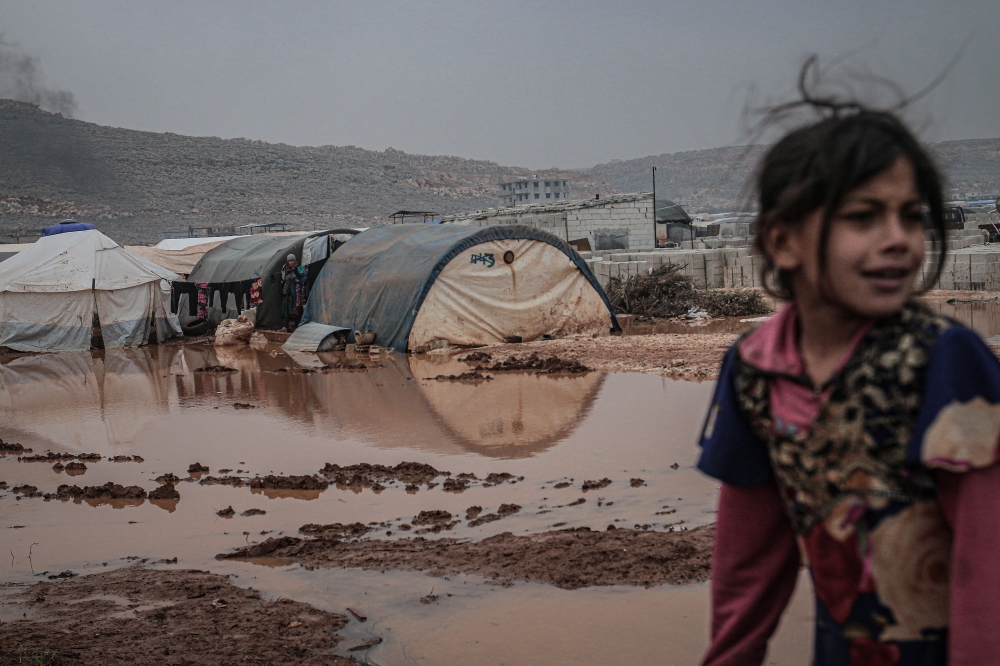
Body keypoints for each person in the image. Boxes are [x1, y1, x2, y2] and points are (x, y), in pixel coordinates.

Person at [697, 94, 1000, 663]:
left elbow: (987, 564)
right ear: (782, 241)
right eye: (863, 217)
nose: (899, 239)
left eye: (912, 216)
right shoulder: (755, 370)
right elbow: (748, 564)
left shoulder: (944, 362)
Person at [280, 253, 308, 331]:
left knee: (296, 310)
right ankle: (285, 326)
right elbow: (282, 280)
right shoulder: (285, 270)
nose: (291, 262)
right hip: (286, 293)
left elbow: (302, 279)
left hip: (296, 293)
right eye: (289, 261)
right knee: (285, 310)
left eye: (292, 260)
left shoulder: (298, 269)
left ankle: (297, 326)